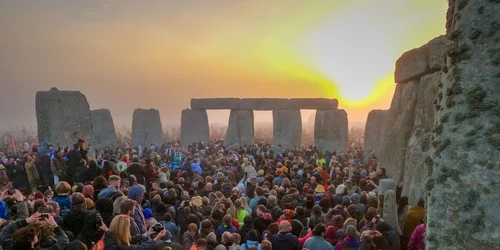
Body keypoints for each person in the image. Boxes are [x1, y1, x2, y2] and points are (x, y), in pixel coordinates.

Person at [0, 212, 70, 250]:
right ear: (31, 243)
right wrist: (54, 225)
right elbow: (64, 242)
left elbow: (5, 231)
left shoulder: (9, 246)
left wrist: (27, 220)